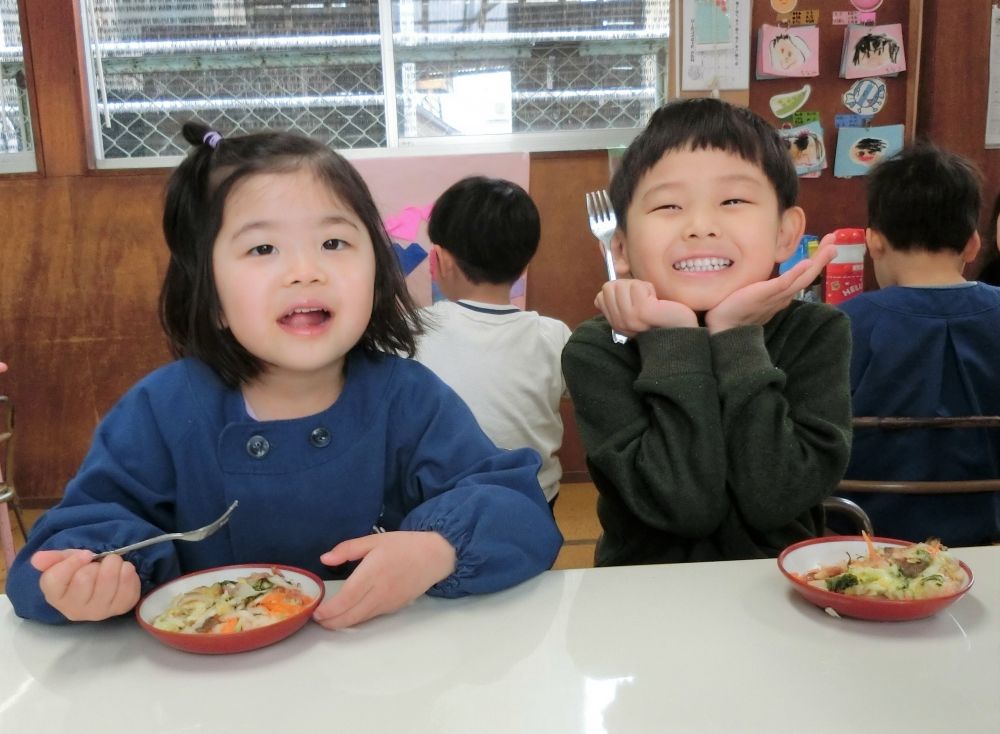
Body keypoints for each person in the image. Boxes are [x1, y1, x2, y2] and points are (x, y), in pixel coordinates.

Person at [7, 123, 562, 626]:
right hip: (209, 693)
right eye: (263, 247)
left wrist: (442, 547)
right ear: (212, 295)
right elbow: (64, 545)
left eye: (334, 242)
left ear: (377, 271)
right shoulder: (164, 409)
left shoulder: (408, 398)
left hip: (379, 681)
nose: (305, 271)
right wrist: (84, 579)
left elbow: (521, 513)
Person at [562, 97, 850, 566]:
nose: (700, 227)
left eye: (733, 200)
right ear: (622, 247)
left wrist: (734, 336)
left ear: (785, 232)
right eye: (669, 205)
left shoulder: (817, 332)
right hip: (642, 601)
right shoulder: (601, 346)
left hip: (783, 599)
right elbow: (685, 507)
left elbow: (776, 497)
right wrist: (673, 339)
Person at [838, 143, 1000, 546]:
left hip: (860, 534)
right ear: (972, 244)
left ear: (873, 242)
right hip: (989, 535)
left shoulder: (841, 324)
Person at [415, 177, 570, 508]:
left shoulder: (409, 330)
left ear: (437, 259)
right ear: (525, 264)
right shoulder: (554, 336)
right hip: (533, 499)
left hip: (438, 504)